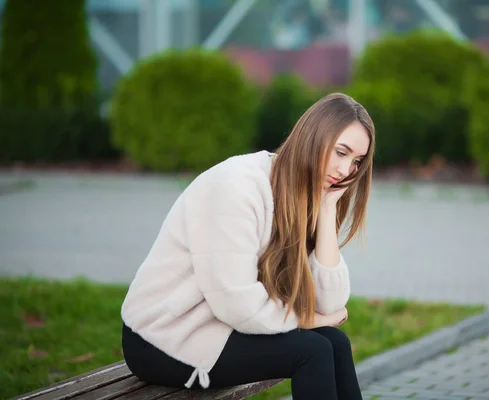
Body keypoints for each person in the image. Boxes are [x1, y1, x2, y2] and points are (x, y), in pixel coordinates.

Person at [120, 92, 375, 399]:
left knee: (335, 342)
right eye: (340, 152)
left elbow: (330, 304)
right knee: (313, 350)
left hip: (222, 324)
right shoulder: (238, 188)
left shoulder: (305, 195)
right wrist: (309, 320)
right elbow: (237, 302)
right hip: (166, 336)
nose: (347, 171)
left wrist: (327, 209)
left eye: (356, 162)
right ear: (313, 137)